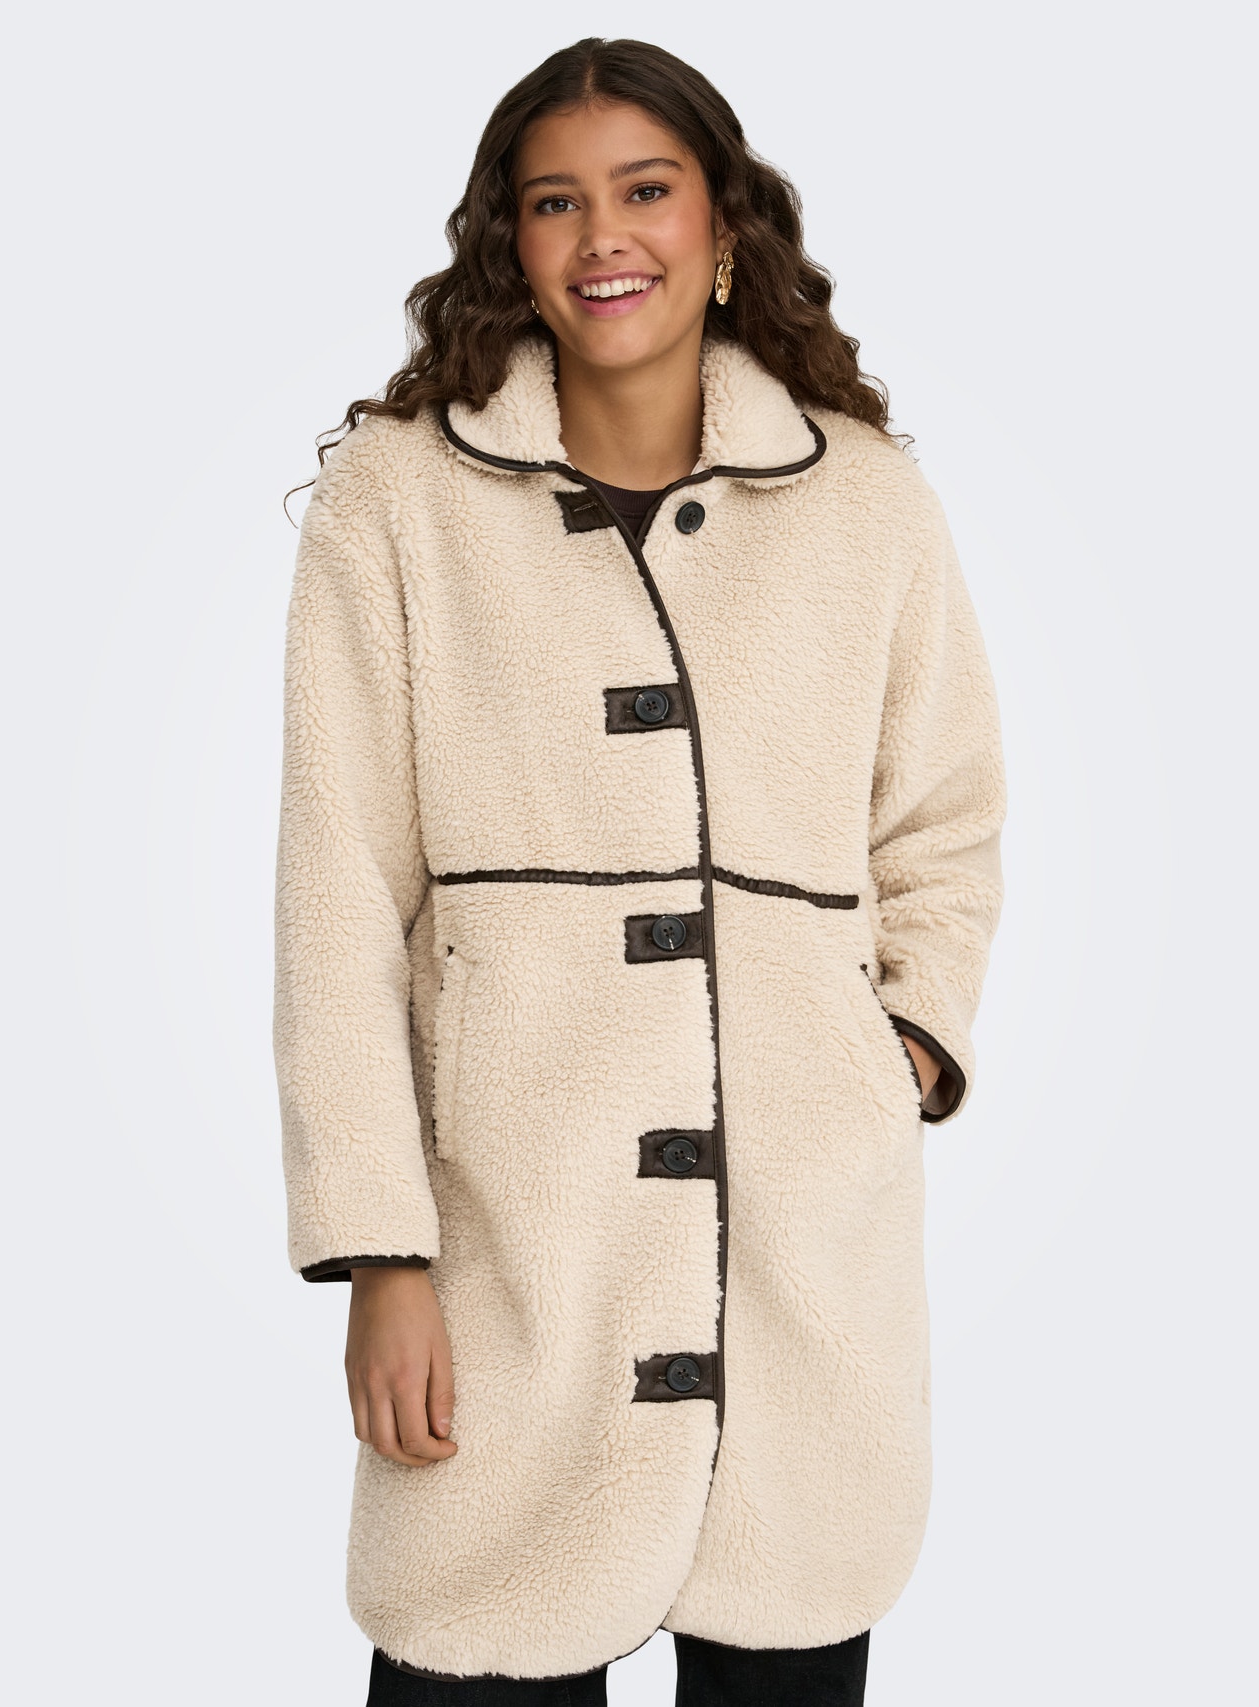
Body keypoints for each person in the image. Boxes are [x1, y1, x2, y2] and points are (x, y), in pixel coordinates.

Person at [274, 35, 1006, 1706]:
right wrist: (382, 1253)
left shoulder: (867, 505)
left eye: (647, 190)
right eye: (555, 202)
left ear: (724, 224)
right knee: (472, 1649)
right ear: (511, 245)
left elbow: (945, 821)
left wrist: (899, 1049)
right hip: (509, 1248)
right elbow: (336, 896)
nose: (604, 236)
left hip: (801, 1252)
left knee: (789, 1633)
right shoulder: (398, 502)